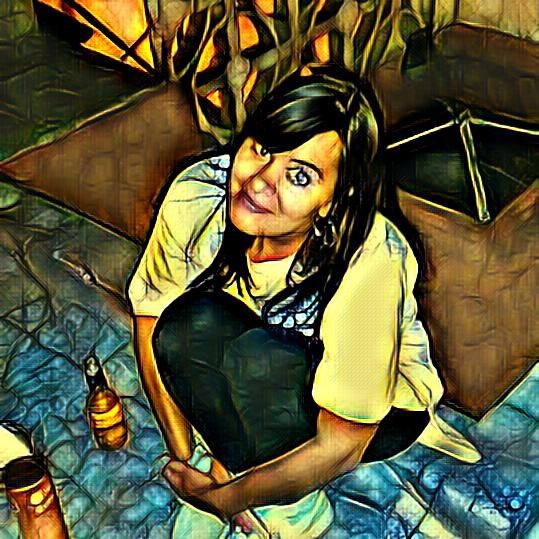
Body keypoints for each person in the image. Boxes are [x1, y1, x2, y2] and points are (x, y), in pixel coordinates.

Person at [128, 64, 480, 538]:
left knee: (246, 357)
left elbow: (343, 442)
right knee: (189, 325)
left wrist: (224, 500)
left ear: (334, 198)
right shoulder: (198, 195)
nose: (258, 183)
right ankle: (235, 466)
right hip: (263, 360)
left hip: (376, 414)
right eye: (262, 148)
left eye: (298, 176)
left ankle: (293, 510)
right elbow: (151, 319)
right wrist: (187, 460)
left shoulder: (374, 257)